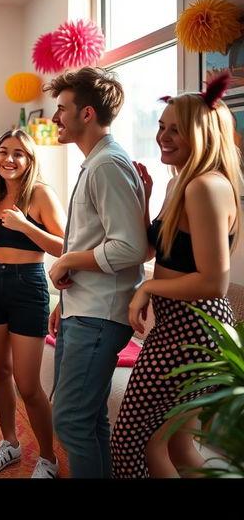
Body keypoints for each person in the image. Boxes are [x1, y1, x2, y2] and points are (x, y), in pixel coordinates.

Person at [111, 74, 240, 478]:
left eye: (175, 129)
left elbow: (213, 281)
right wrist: (146, 197)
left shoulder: (205, 186)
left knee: (131, 441)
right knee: (180, 445)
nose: (163, 136)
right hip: (182, 327)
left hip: (193, 329)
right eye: (161, 126)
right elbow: (155, 249)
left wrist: (147, 286)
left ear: (201, 134)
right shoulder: (180, 183)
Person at [46, 67, 147, 479]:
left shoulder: (107, 165)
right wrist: (66, 306)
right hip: (83, 308)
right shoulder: (98, 162)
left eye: (61, 109)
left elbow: (129, 247)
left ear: (86, 114)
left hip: (100, 315)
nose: (54, 118)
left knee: (69, 421)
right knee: (89, 421)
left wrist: (68, 261)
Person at [0, 129, 66, 477]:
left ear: (29, 160)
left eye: (18, 154)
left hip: (29, 287)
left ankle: (48, 458)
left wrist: (26, 225)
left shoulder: (40, 194)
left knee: (28, 384)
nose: (9, 159)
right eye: (4, 152)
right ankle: (9, 443)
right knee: (0, 371)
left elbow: (63, 246)